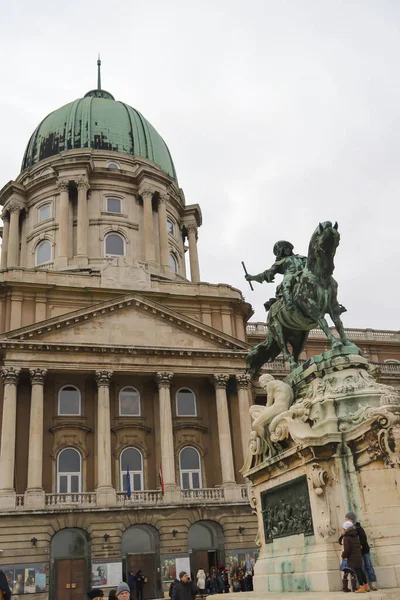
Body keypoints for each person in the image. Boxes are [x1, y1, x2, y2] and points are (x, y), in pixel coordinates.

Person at [245, 240, 306, 310]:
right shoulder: (279, 262)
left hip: (304, 273)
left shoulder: (302, 258)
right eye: (285, 248)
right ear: (281, 251)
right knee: (287, 282)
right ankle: (289, 304)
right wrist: (252, 277)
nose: (288, 249)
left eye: (289, 248)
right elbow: (267, 273)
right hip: (291, 274)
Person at [345, 511, 378, 591]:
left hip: (363, 550)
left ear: (350, 519)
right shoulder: (349, 528)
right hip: (357, 551)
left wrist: (358, 545)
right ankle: (365, 585)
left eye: (347, 519)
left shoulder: (358, 528)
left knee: (368, 566)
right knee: (362, 567)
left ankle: (373, 583)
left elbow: (363, 538)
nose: (345, 520)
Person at [341, 521, 369, 593]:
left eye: (343, 528)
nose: (342, 529)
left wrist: (344, 555)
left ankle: (361, 587)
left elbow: (347, 549)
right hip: (358, 554)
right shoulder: (355, 535)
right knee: (360, 570)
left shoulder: (347, 538)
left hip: (353, 556)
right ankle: (366, 586)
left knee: (358, 571)